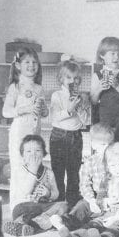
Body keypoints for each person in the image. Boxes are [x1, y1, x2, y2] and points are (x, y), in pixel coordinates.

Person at [50, 142, 119, 237]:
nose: (118, 168)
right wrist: (105, 202)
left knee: (118, 228)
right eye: (113, 165)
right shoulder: (107, 178)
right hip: (107, 214)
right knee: (93, 225)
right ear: (107, 166)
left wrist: (117, 217)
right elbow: (100, 198)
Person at [2, 47, 48, 210]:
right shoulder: (15, 86)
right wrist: (24, 109)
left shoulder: (39, 88)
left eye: (34, 62)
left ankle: (28, 205)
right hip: (19, 133)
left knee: (33, 166)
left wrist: (43, 110)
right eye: (27, 62)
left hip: (35, 133)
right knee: (19, 167)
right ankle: (16, 205)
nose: (31, 65)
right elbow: (6, 112)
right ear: (18, 66)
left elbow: (43, 112)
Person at [3, 135, 68, 237]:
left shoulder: (49, 172)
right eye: (28, 151)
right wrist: (33, 169)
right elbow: (25, 191)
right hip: (22, 206)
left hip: (42, 208)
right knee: (23, 212)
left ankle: (32, 226)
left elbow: (56, 193)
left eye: (37, 150)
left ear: (43, 154)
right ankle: (23, 223)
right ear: (23, 155)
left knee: (63, 205)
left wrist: (48, 193)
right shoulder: (19, 171)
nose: (33, 154)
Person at [50, 60, 90, 207]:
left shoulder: (83, 97)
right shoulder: (57, 95)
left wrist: (80, 108)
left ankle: (73, 201)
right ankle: (59, 201)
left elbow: (86, 121)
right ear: (61, 79)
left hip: (76, 135)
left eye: (76, 78)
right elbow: (55, 117)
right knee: (58, 170)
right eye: (68, 78)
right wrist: (69, 109)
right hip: (59, 136)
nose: (73, 81)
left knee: (74, 170)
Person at [90, 37, 119, 147]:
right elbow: (93, 101)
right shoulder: (97, 75)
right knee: (104, 147)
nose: (117, 57)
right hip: (105, 119)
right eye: (113, 53)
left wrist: (117, 86)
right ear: (102, 55)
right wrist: (99, 89)